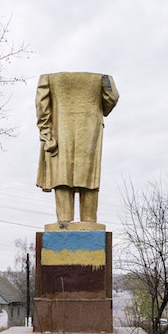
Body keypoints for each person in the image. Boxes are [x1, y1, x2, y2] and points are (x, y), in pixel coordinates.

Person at [35, 72, 119, 224]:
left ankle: (63, 224)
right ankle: (89, 224)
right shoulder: (102, 79)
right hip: (90, 131)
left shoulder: (49, 79)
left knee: (62, 176)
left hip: (60, 133)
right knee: (89, 178)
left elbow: (42, 107)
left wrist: (46, 133)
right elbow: (112, 97)